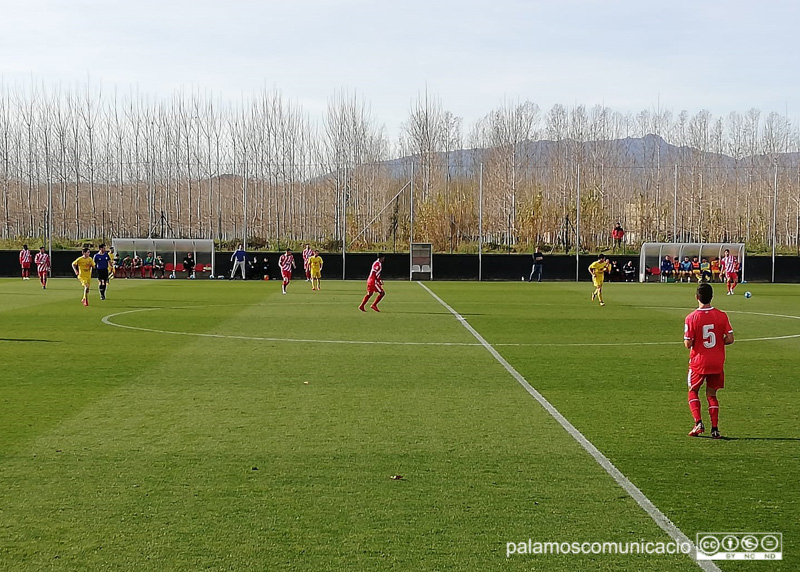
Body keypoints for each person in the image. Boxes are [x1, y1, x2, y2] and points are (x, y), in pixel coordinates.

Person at [685, 283, 734, 439]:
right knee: (711, 394)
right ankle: (715, 429)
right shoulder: (722, 315)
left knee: (693, 391)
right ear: (712, 297)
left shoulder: (691, 317)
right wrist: (719, 343)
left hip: (699, 362)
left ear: (697, 297)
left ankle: (698, 423)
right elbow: (730, 339)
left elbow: (688, 344)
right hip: (717, 362)